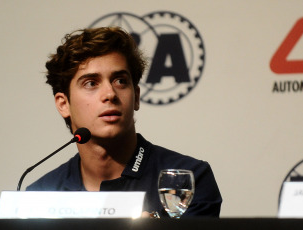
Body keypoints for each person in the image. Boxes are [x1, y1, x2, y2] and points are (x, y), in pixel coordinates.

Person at [27, 27, 222, 218]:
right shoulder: (39, 197)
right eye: (91, 83)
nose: (110, 94)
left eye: (120, 81)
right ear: (63, 104)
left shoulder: (187, 179)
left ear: (136, 97)